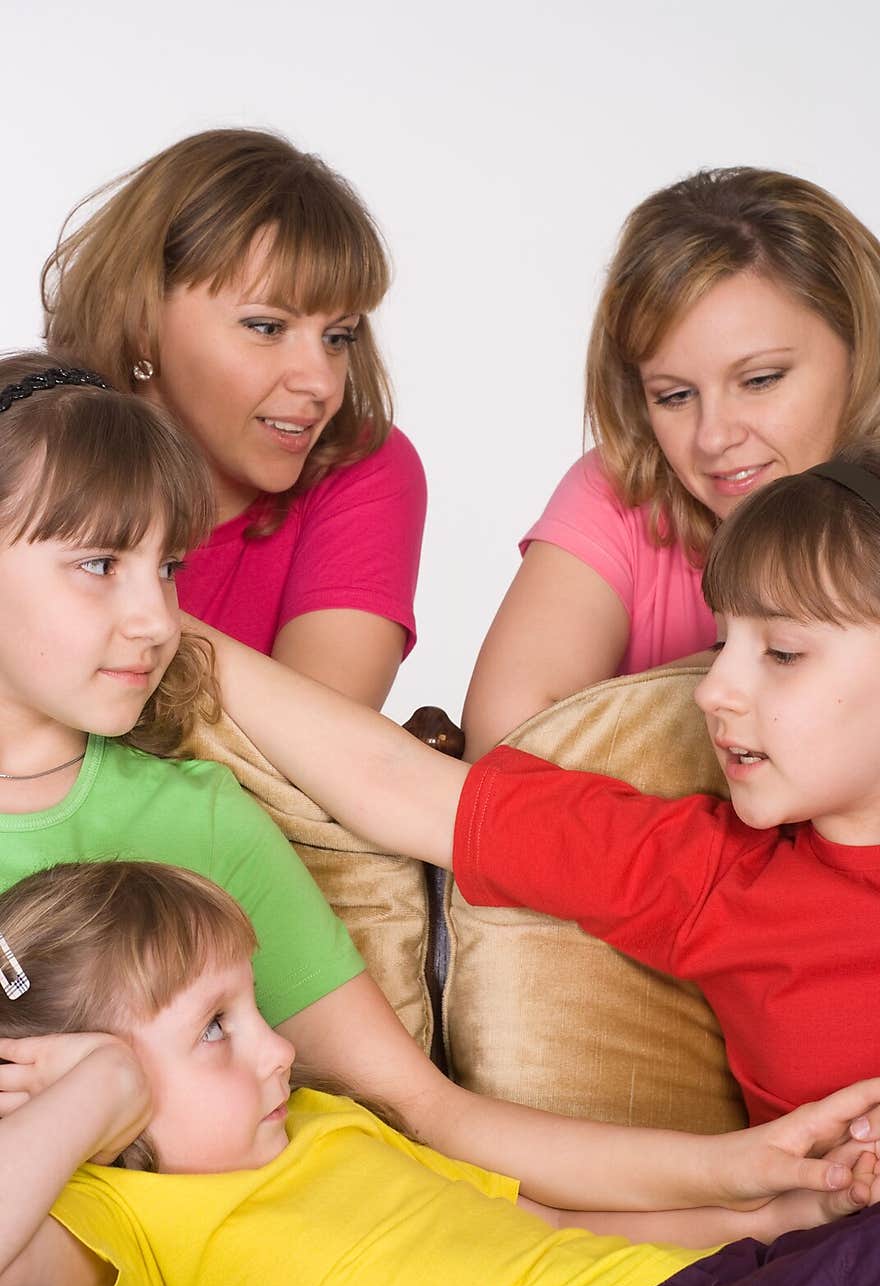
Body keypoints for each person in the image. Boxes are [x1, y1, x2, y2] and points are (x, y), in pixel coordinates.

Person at [5, 347, 867, 1226]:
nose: (158, 621)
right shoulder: (712, 876)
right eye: (102, 563)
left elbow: (422, 1116)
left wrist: (758, 1193)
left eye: (170, 569)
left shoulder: (200, 820)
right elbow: (413, 790)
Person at [191, 440, 880, 1130]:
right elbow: (399, 783)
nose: (713, 690)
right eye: (722, 642)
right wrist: (169, 627)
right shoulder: (709, 877)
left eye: (782, 652)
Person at [2, 860, 879, 1286]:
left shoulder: (322, 1119)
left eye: (254, 1005)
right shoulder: (115, 1220)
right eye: (214, 1028)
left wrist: (786, 1216)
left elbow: (556, 1225)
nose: (279, 1048)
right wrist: (98, 1090)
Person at [461, 165, 880, 758]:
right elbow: (507, 747)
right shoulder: (623, 489)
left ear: (862, 350)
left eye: (760, 380)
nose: (713, 437)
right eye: (675, 396)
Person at [41, 126, 427, 710]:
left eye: (338, 336)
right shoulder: (27, 461)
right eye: (267, 327)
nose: (320, 382)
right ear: (142, 317)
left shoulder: (363, 469)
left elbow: (315, 762)